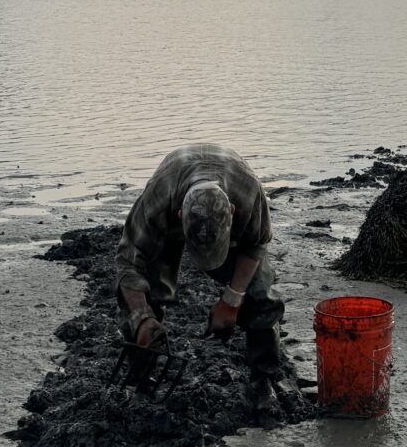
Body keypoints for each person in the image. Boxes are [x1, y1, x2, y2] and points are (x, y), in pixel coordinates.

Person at [113, 142, 284, 391]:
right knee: (149, 292)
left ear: (233, 212)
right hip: (172, 195)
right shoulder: (158, 201)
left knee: (260, 294)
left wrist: (232, 299)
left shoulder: (249, 193)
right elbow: (127, 261)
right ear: (180, 216)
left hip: (230, 184)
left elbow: (255, 245)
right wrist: (141, 316)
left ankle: (263, 379)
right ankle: (141, 374)